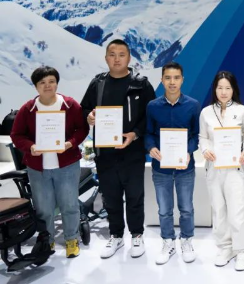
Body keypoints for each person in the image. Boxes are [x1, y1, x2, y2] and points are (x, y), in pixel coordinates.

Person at [81, 39, 156, 259]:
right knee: (111, 198)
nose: (117, 59)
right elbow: (85, 108)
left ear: (129, 58)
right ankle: (116, 235)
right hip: (105, 153)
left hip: (132, 152)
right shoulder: (98, 83)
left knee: (134, 197)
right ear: (106, 58)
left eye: (121, 55)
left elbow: (151, 116)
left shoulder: (141, 84)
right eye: (112, 55)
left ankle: (137, 235)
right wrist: (89, 116)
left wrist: (135, 134)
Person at [10, 66, 89, 259]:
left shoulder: (69, 105)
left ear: (57, 83)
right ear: (36, 86)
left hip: (67, 166)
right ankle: (47, 239)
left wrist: (70, 143)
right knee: (44, 208)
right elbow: (16, 135)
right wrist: (30, 146)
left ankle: (71, 239)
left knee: (69, 205)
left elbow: (82, 129)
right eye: (42, 82)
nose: (48, 86)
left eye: (51, 81)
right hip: (38, 168)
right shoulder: (28, 109)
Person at [145, 61, 201, 265]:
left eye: (176, 78)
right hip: (161, 168)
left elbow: (196, 135)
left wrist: (189, 150)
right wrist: (151, 148)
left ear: (182, 80)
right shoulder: (153, 106)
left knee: (186, 208)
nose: (172, 82)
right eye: (168, 78)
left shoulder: (193, 105)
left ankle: (186, 240)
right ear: (161, 80)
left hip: (185, 167)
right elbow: (148, 134)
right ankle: (167, 242)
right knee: (164, 209)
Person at [199, 71, 244, 270]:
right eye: (220, 87)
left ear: (233, 89)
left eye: (227, 88)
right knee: (219, 210)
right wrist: (205, 149)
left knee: (237, 211)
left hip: (235, 168)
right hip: (214, 167)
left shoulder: (243, 111)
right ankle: (225, 247)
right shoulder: (206, 112)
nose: (223, 92)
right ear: (215, 89)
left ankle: (242, 250)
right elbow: (203, 137)